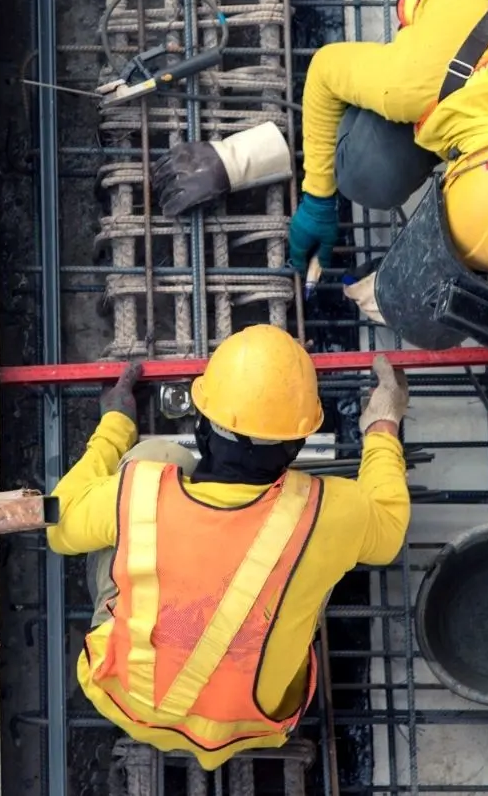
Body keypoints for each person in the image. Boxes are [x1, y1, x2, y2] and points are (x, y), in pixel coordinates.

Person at [154, 0, 488, 348]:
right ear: (451, 172)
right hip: (477, 18)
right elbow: (323, 72)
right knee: (365, 175)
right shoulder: (415, 82)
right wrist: (318, 196)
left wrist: (408, 286)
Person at [46, 324, 411, 770]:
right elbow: (390, 528)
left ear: (202, 428)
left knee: (154, 459)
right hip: (254, 724)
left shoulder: (140, 492)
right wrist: (382, 424)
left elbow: (59, 525)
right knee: (317, 559)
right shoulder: (329, 511)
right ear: (297, 445)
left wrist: (115, 424)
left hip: (126, 698)